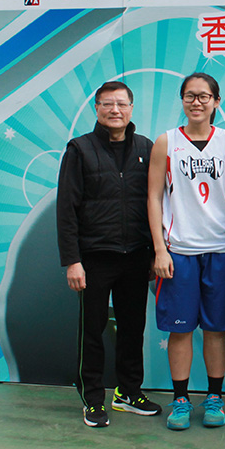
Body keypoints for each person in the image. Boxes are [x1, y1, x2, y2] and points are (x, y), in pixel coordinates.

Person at [57, 81, 161, 428]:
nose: (115, 110)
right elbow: (66, 209)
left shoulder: (146, 148)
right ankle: (92, 399)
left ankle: (129, 393)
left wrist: (153, 252)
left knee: (132, 328)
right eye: (107, 104)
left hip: (136, 256)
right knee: (93, 330)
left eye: (121, 104)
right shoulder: (80, 149)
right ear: (97, 109)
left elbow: (155, 202)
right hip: (94, 258)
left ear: (131, 108)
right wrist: (73, 260)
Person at [147, 73, 225, 431]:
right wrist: (159, 248)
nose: (196, 102)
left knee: (215, 330)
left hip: (222, 249)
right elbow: (153, 196)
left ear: (216, 101)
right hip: (179, 251)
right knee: (180, 331)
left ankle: (214, 397)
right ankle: (181, 399)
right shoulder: (166, 142)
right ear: (182, 100)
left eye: (204, 96)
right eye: (190, 96)